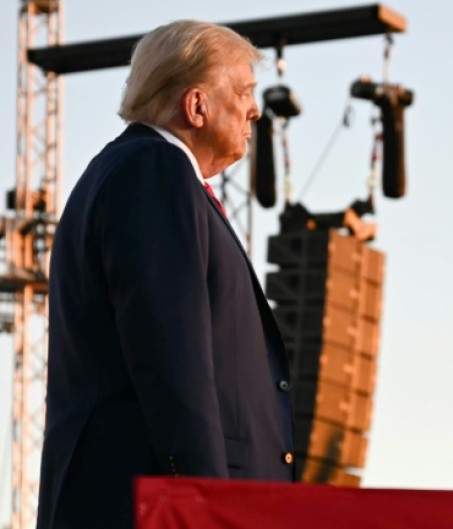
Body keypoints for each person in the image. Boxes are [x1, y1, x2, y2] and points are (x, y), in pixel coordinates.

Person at [37, 20, 294, 529]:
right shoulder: (153, 168)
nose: (254, 109)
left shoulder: (130, 170)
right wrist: (203, 501)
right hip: (158, 504)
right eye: (243, 91)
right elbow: (171, 356)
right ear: (196, 105)